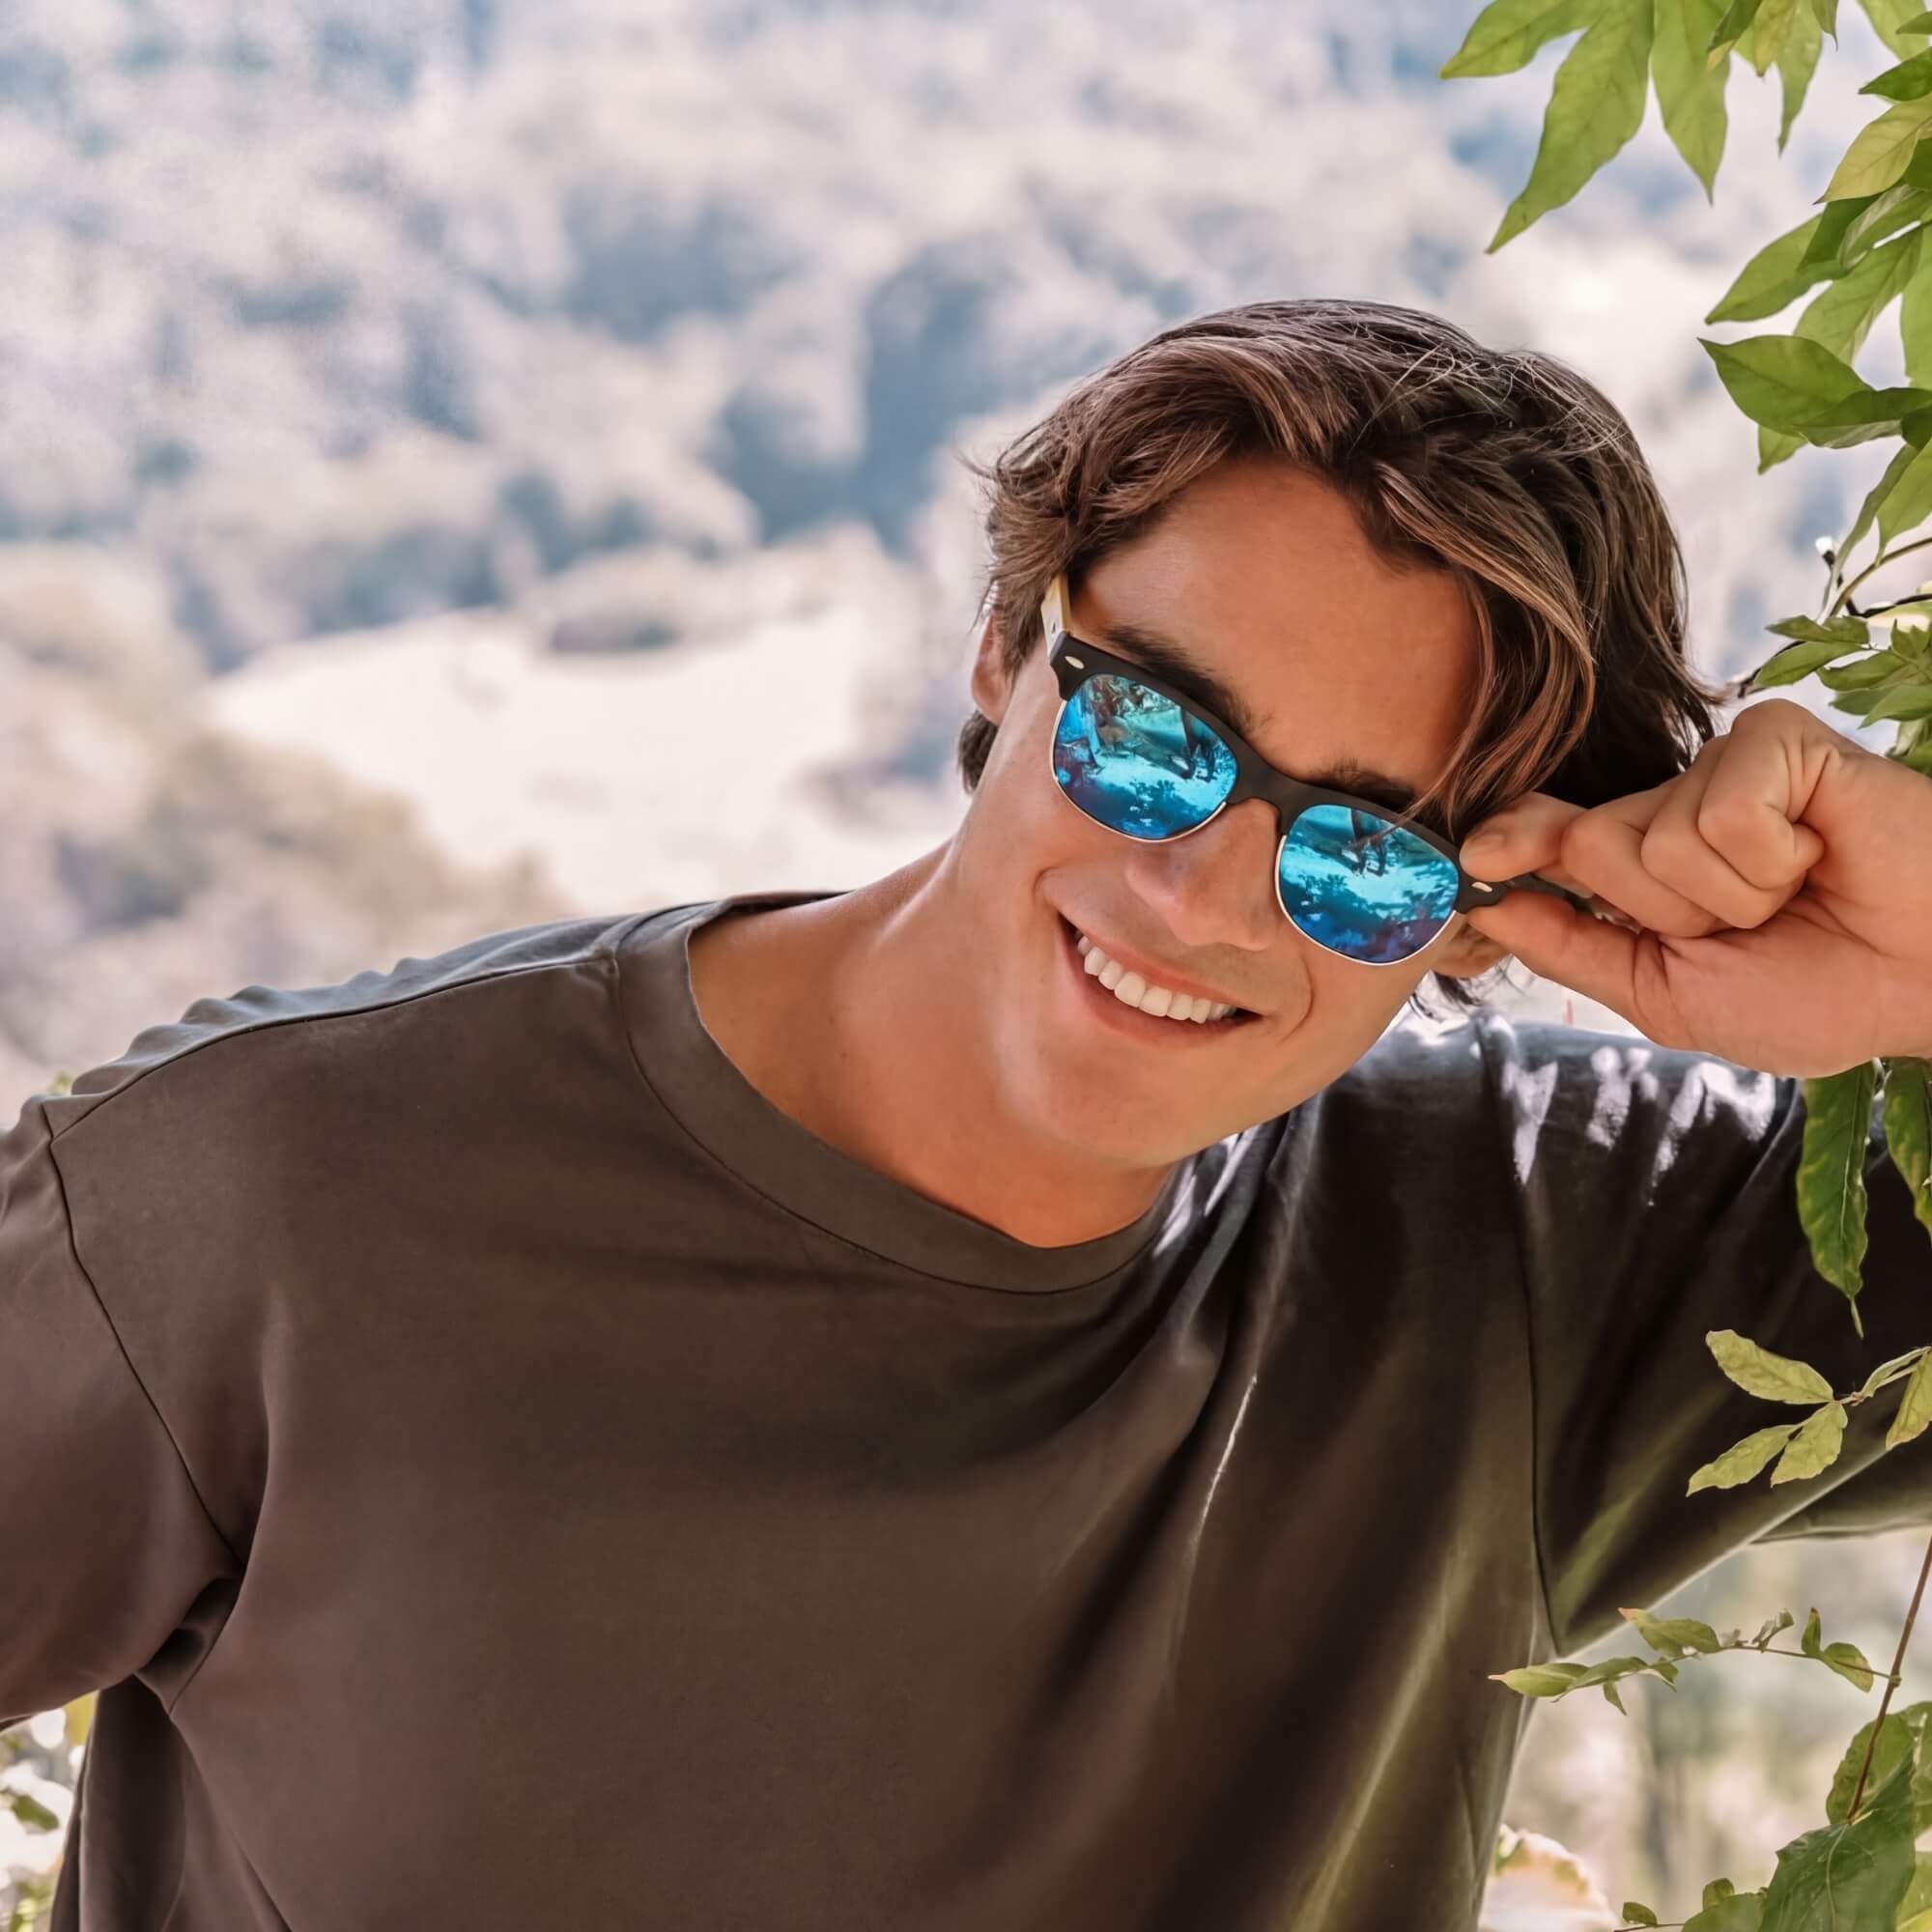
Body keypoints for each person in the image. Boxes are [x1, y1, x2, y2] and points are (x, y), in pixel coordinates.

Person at [5, 298, 1930, 1932]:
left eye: (1365, 850)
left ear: (1489, 908)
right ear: (1009, 645)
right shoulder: (279, 1195)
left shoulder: (1528, 1259)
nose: (1197, 895)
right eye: (1152, 732)